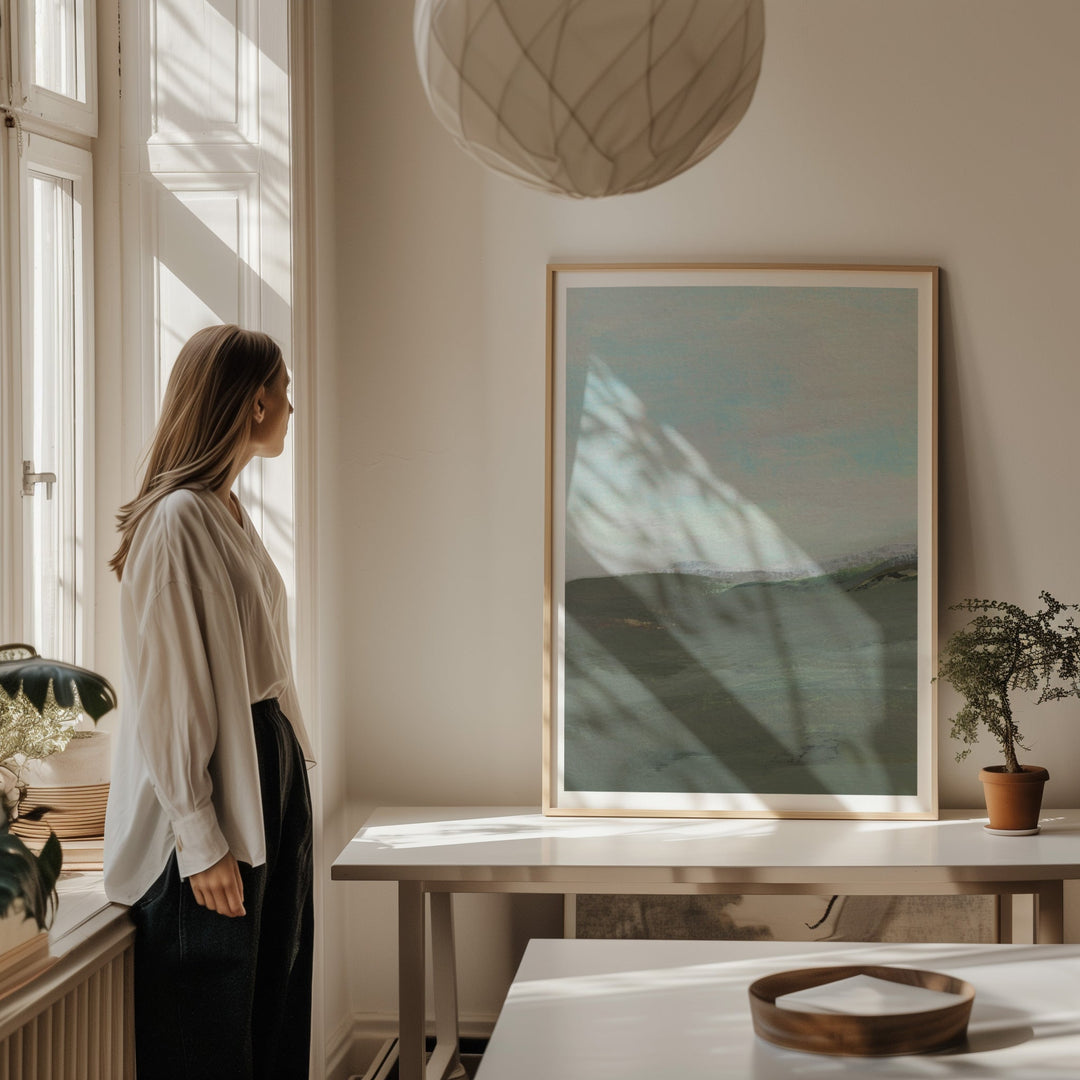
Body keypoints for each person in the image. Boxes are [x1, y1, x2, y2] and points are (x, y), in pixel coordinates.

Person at [104, 325, 315, 1079]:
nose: (292, 407)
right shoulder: (177, 521)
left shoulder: (224, 509)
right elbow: (167, 693)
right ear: (255, 400)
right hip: (220, 789)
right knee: (211, 1032)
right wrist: (200, 837)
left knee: (274, 1015)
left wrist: (288, 766)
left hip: (266, 766)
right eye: (285, 390)